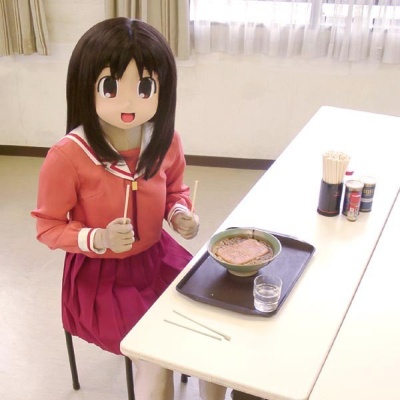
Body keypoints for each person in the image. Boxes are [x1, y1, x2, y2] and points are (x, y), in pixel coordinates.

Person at [31, 18, 227, 400]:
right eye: (110, 87)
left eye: (145, 88)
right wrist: (99, 238)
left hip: (158, 258)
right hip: (100, 278)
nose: (128, 103)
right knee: (154, 355)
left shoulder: (165, 140)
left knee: (214, 319)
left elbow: (175, 190)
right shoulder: (68, 155)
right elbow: (47, 226)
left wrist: (179, 214)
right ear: (84, 86)